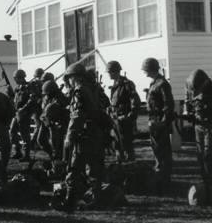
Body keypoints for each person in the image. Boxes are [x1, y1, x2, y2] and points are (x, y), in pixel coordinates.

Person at [61, 63, 104, 211]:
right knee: (94, 168)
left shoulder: (79, 91)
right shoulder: (94, 88)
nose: (69, 81)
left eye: (69, 78)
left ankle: (69, 200)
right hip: (96, 133)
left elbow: (77, 115)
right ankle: (95, 198)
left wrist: (69, 137)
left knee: (73, 167)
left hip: (83, 135)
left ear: (75, 77)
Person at [184, 69, 212, 184]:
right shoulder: (189, 84)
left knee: (210, 154)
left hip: (211, 126)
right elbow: (187, 100)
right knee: (200, 153)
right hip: (198, 125)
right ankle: (205, 180)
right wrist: (186, 112)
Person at [142, 57, 174, 191]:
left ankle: (164, 179)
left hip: (160, 122)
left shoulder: (162, 84)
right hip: (154, 121)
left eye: (145, 69)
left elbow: (168, 105)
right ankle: (160, 176)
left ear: (151, 69)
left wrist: (163, 123)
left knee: (163, 152)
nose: (144, 72)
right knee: (157, 150)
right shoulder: (154, 83)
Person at [107, 61, 141, 162]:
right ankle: (120, 167)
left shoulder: (127, 84)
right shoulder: (115, 85)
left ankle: (130, 168)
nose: (109, 74)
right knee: (117, 144)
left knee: (126, 145)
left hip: (124, 120)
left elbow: (135, 101)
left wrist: (130, 116)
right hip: (116, 120)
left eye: (110, 72)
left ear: (115, 72)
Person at [9, 69, 36, 162]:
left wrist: (23, 109)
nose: (15, 80)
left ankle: (26, 155)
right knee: (12, 131)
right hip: (17, 113)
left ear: (20, 77)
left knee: (25, 135)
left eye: (15, 78)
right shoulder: (17, 88)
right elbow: (15, 99)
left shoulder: (28, 86)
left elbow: (32, 99)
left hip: (24, 113)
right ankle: (17, 151)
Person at [39, 80, 68, 161]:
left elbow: (63, 112)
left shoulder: (61, 98)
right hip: (45, 120)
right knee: (40, 140)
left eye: (48, 93)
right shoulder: (47, 98)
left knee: (56, 145)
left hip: (55, 124)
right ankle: (52, 156)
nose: (47, 95)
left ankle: (57, 161)